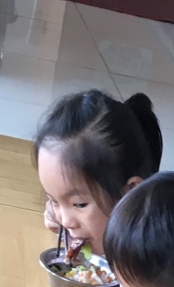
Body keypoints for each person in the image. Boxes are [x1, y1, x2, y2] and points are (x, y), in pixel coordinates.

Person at [33, 87, 163, 260]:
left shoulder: (156, 264)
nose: (65, 221)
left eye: (79, 204)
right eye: (54, 200)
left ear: (131, 193)